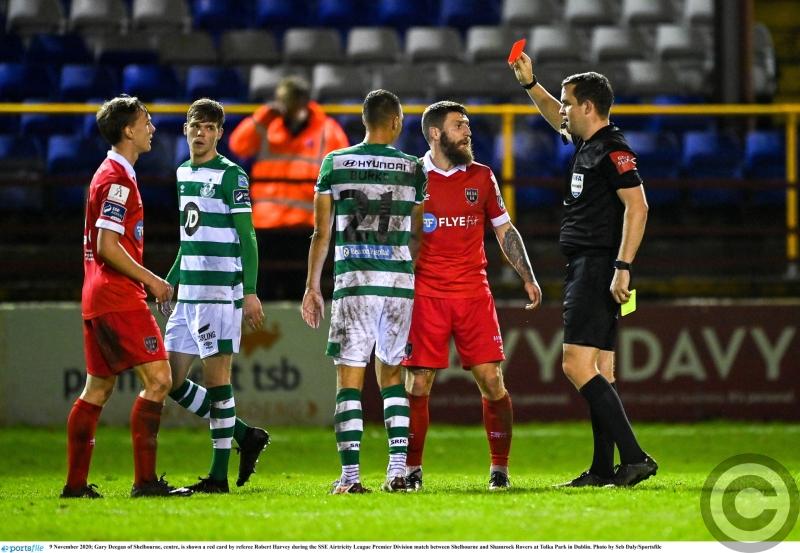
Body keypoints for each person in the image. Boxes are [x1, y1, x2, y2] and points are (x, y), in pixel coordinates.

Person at [509, 53, 657, 487]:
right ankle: (602, 469)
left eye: (569, 103)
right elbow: (553, 113)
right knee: (602, 371)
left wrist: (622, 267)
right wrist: (531, 83)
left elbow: (639, 206)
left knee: (575, 365)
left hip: (597, 267)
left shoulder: (612, 150)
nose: (564, 110)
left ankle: (635, 457)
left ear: (588, 107)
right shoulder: (591, 143)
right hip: (593, 265)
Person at [402, 101, 542, 492]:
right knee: (419, 383)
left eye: (467, 125)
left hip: (472, 292)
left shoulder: (482, 177)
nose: (468, 132)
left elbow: (504, 230)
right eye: (459, 126)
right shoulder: (413, 175)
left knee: (492, 380)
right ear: (435, 134)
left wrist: (527, 276)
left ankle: (500, 469)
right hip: (425, 292)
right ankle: (411, 471)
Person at [62, 95, 192, 498]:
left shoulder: (111, 173)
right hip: (118, 296)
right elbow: (107, 244)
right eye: (146, 121)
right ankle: (146, 482)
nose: (152, 128)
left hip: (96, 295)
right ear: (128, 130)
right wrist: (153, 280)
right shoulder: (117, 179)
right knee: (159, 380)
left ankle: (76, 486)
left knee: (97, 390)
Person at [301, 89, 427, 494]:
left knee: (349, 382)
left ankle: (352, 477)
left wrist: (312, 287)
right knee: (392, 377)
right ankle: (396, 471)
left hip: (354, 284)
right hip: (396, 283)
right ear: (394, 122)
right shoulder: (412, 168)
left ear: (364, 120)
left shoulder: (335, 163)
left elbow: (321, 232)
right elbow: (417, 235)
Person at [160, 99, 271, 494]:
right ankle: (245, 433)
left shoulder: (231, 176)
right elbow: (189, 237)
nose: (200, 133)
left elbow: (248, 237)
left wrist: (252, 291)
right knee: (169, 381)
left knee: (217, 382)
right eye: (195, 125)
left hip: (218, 293)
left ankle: (218, 477)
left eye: (209, 127)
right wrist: (170, 280)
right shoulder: (183, 172)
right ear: (185, 129)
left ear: (220, 133)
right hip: (188, 292)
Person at [228, 76, 349, 229]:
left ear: (304, 101)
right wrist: (260, 118)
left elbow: (345, 173)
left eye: (291, 100)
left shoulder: (328, 131)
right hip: (266, 223)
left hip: (308, 225)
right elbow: (237, 146)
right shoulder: (266, 124)